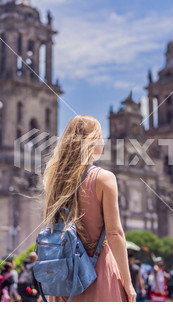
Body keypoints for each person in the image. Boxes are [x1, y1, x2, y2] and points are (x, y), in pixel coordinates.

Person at [45, 115, 136, 302]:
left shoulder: (55, 180)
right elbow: (115, 234)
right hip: (99, 272)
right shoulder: (104, 178)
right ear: (91, 142)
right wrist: (128, 282)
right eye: (100, 136)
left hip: (64, 277)